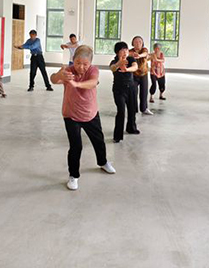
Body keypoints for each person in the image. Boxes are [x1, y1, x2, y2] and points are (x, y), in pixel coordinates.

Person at [50, 45, 116, 191]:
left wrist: (77, 84)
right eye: (78, 63)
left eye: (85, 64)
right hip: (71, 115)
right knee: (75, 146)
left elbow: (92, 82)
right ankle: (73, 175)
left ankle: (103, 162)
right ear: (73, 60)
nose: (81, 67)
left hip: (90, 113)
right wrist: (59, 75)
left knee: (98, 140)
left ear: (90, 63)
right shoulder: (68, 71)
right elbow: (53, 79)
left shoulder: (93, 70)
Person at [110, 41, 140, 143]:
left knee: (132, 110)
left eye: (126, 50)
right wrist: (119, 64)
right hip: (119, 90)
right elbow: (112, 68)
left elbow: (135, 67)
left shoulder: (130, 59)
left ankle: (131, 128)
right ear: (117, 52)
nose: (125, 52)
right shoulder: (114, 61)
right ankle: (117, 135)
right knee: (121, 111)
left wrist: (127, 70)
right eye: (122, 50)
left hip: (131, 88)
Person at [129, 36, 153, 115]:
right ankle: (133, 109)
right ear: (133, 43)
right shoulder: (130, 51)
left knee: (144, 92)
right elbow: (128, 54)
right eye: (136, 42)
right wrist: (132, 54)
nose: (138, 43)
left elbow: (145, 54)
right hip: (133, 75)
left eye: (140, 42)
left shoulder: (144, 50)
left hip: (143, 74)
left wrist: (139, 55)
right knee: (133, 92)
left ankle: (144, 109)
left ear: (142, 43)